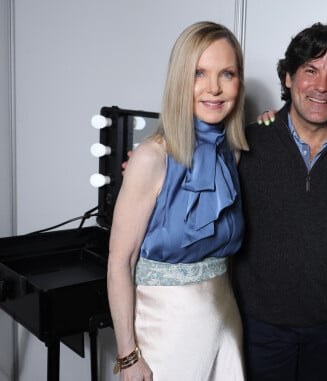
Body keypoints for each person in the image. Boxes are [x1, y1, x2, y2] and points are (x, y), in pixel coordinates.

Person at [107, 21, 248, 381]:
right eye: (199, 73)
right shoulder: (150, 159)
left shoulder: (231, 154)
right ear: (179, 80)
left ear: (239, 83)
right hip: (164, 336)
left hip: (225, 327)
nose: (214, 88)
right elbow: (120, 261)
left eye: (227, 74)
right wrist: (128, 356)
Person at [232, 23, 327, 381]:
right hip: (258, 330)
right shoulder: (246, 144)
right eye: (310, 70)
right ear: (288, 78)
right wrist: (149, 163)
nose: (322, 86)